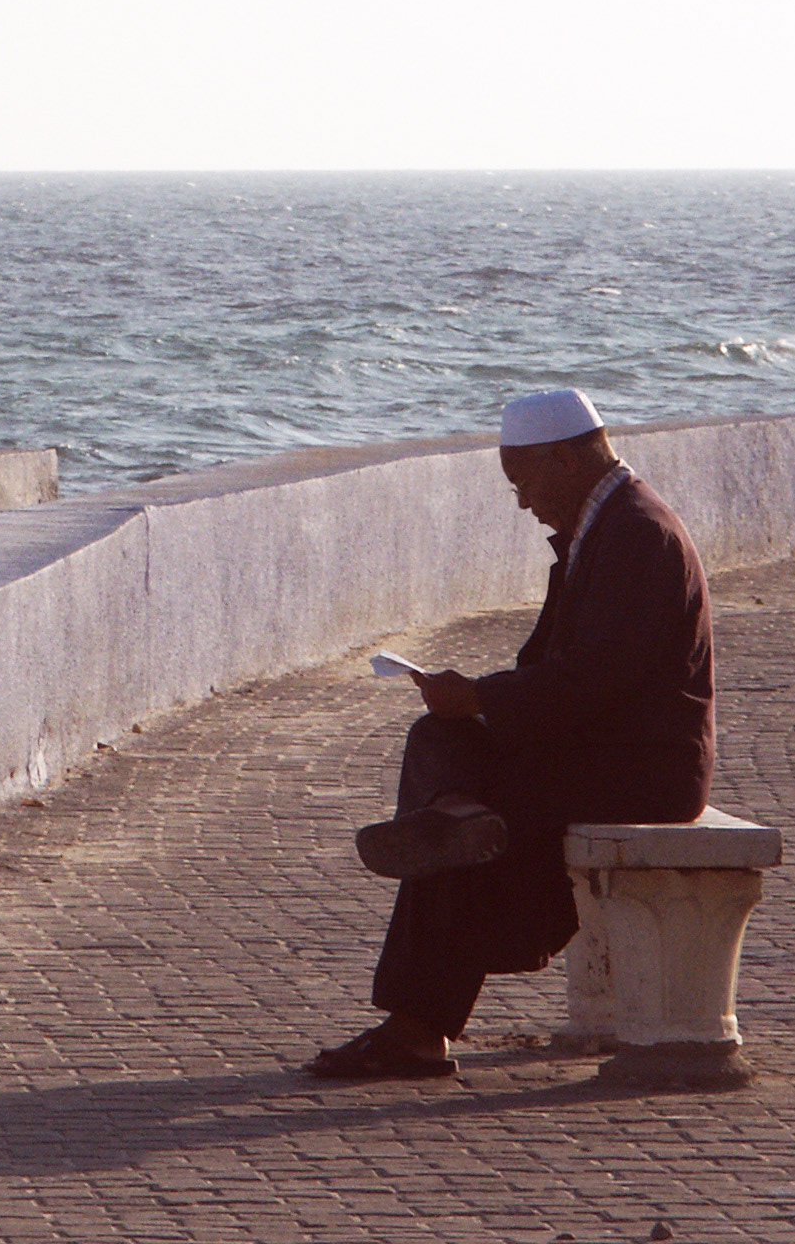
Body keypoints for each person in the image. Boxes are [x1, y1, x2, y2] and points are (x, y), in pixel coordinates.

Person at [307, 386, 715, 1080]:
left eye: (522, 480)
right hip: (601, 745)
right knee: (440, 745)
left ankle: (417, 1020)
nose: (523, 501)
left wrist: (481, 697)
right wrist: (471, 701)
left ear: (560, 458)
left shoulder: (637, 534)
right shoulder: (605, 529)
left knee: (467, 811)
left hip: (645, 767)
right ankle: (454, 820)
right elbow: (562, 674)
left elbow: (592, 682)